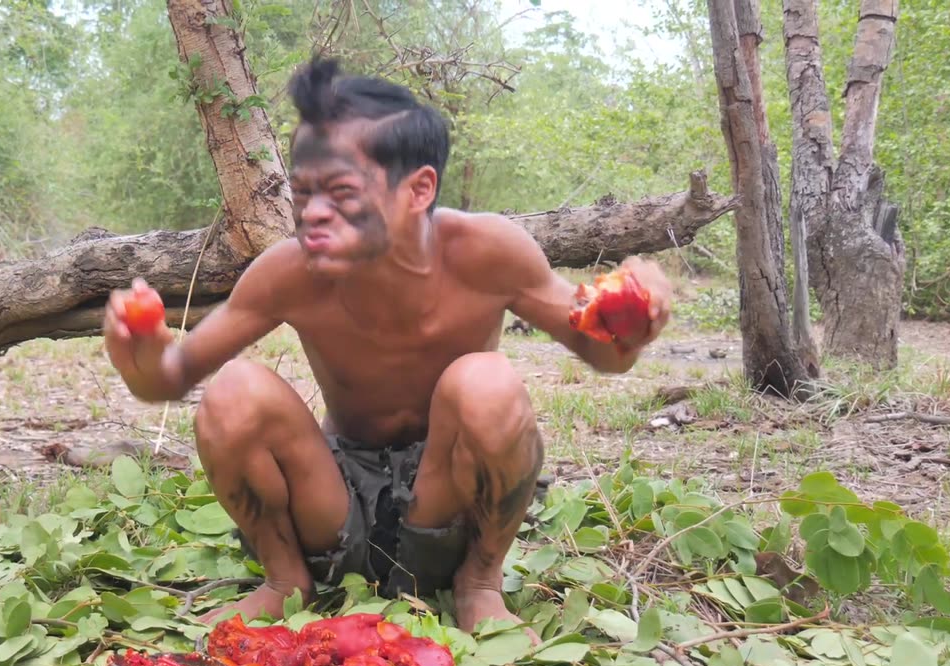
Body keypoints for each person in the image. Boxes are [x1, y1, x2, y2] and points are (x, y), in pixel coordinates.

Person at [102, 57, 672, 635]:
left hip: (448, 499)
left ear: (419, 189)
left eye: (342, 191)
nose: (314, 214)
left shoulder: (490, 253)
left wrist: (632, 324)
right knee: (233, 392)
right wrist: (142, 356)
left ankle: (478, 582)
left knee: (485, 381)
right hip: (334, 507)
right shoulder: (289, 273)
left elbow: (603, 351)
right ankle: (285, 580)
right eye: (302, 194)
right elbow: (173, 375)